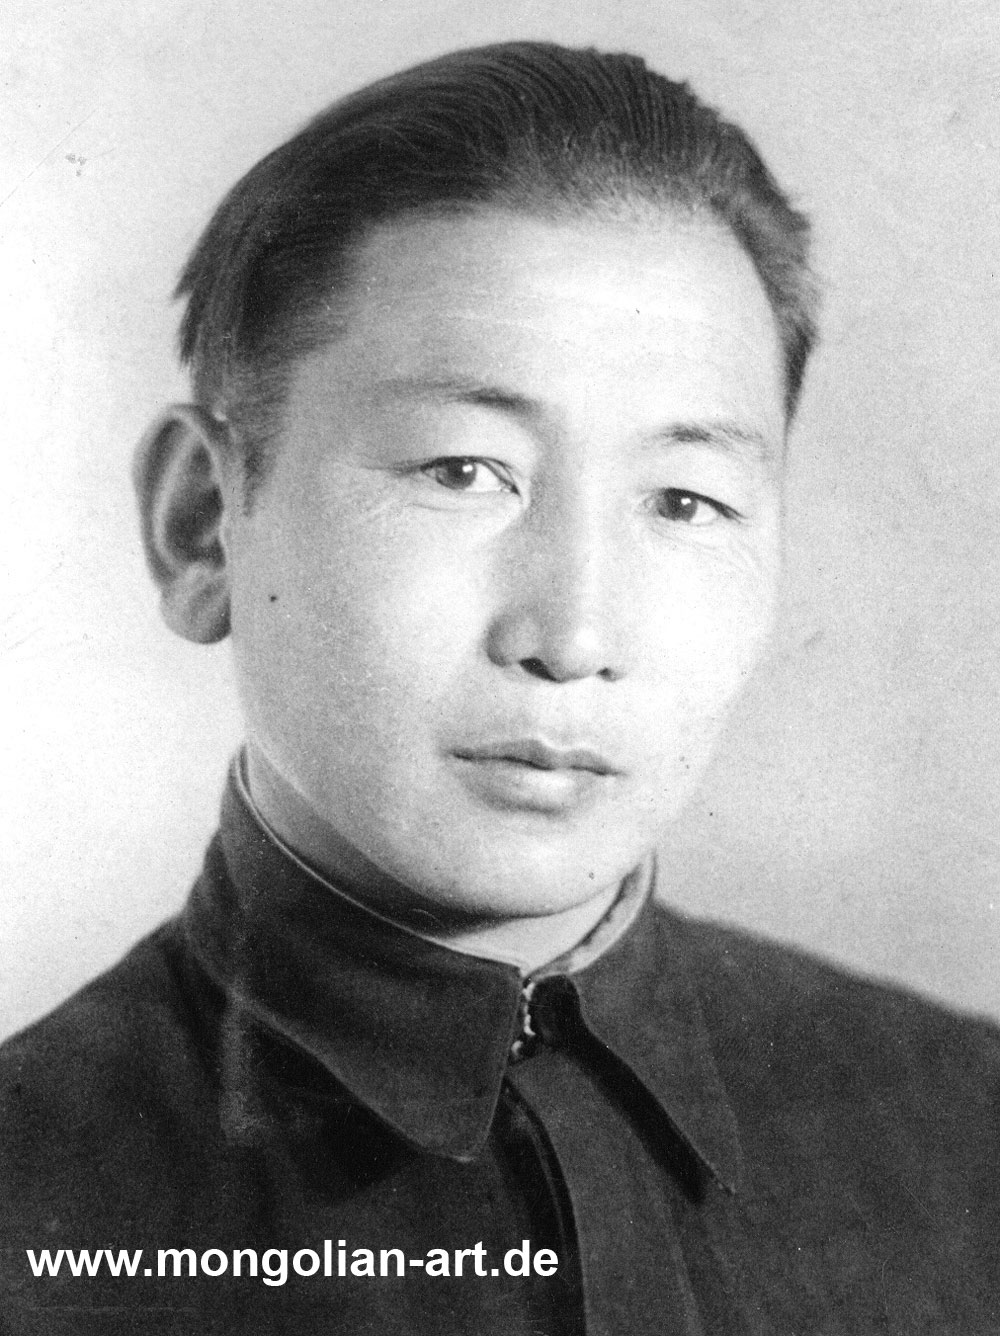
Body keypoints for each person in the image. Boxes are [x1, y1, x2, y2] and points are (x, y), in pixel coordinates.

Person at [1, 40, 998, 1336]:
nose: (573, 636)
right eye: (462, 472)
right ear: (202, 525)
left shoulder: (968, 1126)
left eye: (684, 501)